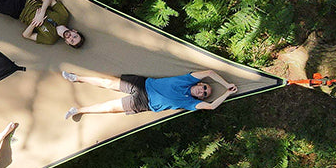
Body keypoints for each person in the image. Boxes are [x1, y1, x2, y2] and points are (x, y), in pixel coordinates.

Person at [62, 69, 238, 119]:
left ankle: (78, 110)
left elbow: (212, 106)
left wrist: (226, 93)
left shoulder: (190, 103)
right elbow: (209, 72)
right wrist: (226, 84)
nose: (203, 91)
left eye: (204, 94)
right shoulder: (188, 79)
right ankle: (76, 77)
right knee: (108, 82)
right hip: (142, 84)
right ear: (200, 84)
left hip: (144, 103)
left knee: (109, 108)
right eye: (205, 88)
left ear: (201, 98)